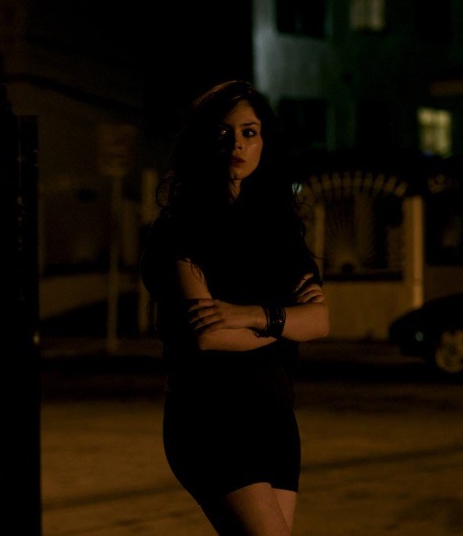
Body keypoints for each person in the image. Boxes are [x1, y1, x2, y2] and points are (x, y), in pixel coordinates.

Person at [140, 80, 329, 535]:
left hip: (275, 417)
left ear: (265, 140)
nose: (237, 145)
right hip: (212, 417)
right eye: (223, 133)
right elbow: (210, 334)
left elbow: (320, 321)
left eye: (249, 132)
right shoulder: (180, 229)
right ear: (203, 141)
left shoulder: (280, 229)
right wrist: (285, 323)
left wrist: (252, 315)